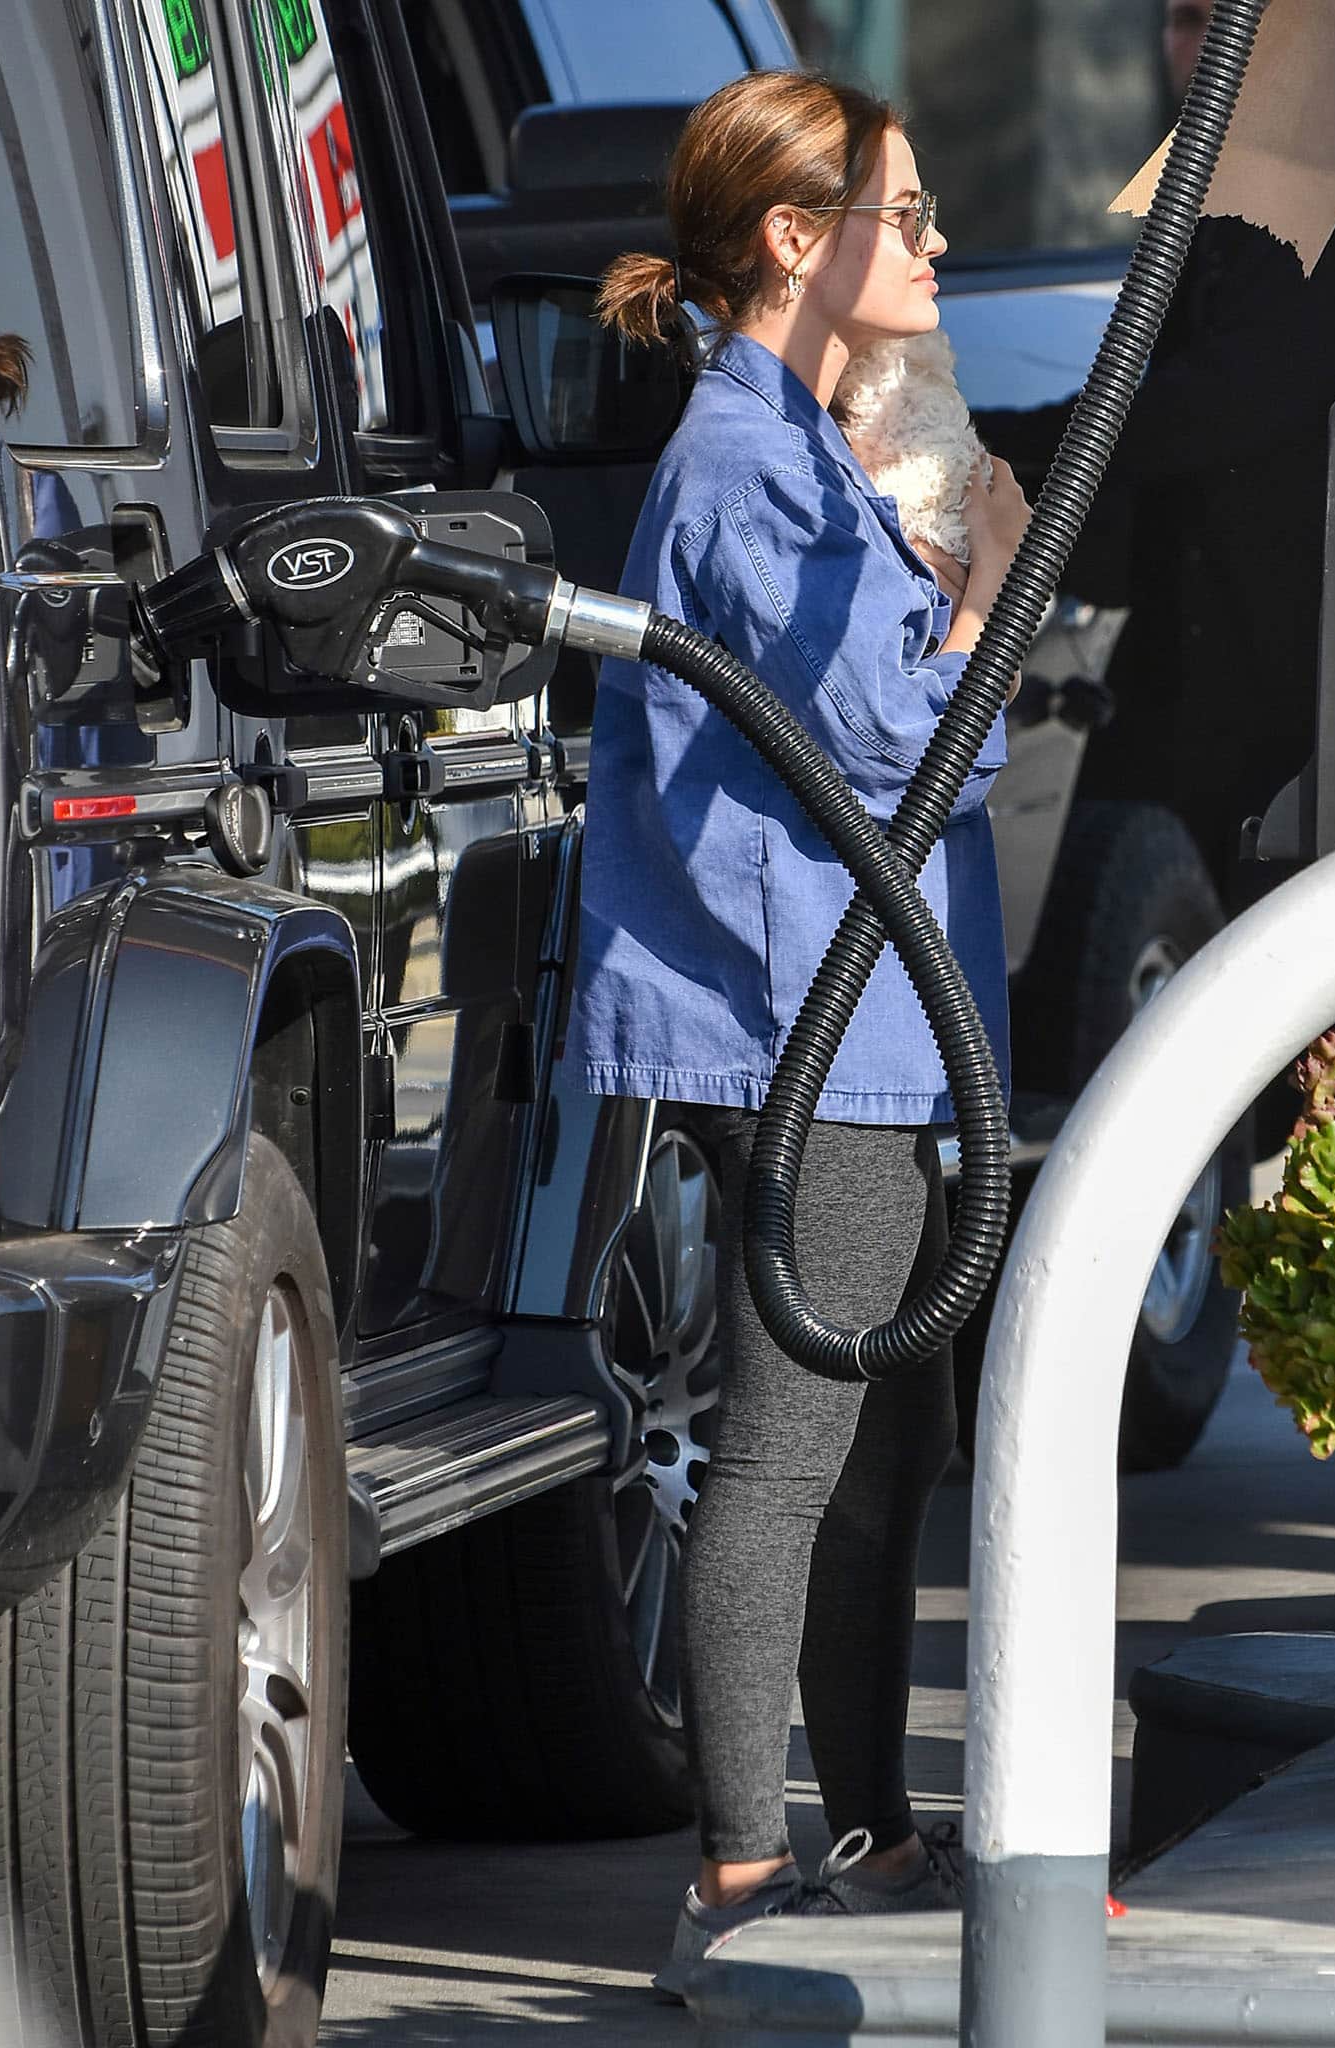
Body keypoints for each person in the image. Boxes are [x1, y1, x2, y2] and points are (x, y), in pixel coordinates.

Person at [561, 70, 1030, 1994]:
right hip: (811, 1032)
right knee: (789, 1451)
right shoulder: (746, 471)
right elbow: (911, 747)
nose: (931, 247)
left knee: (889, 1441)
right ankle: (742, 1876)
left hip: (892, 1035)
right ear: (792, 240)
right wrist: (994, 562)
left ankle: (869, 1821)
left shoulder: (816, 449)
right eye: (902, 216)